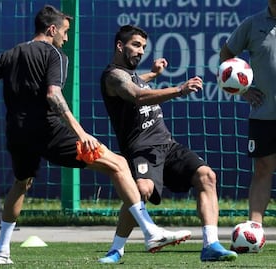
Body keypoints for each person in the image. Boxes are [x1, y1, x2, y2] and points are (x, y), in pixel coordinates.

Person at [0, 5, 191, 265]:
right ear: (52, 29)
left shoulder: (10, 54)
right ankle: (150, 231)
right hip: (50, 132)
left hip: (18, 135)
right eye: (64, 32)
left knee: (22, 184)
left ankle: (1, 252)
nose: (66, 38)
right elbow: (53, 95)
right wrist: (81, 132)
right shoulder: (55, 55)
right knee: (119, 164)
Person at [98, 24, 238, 263]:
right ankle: (116, 250)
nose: (141, 51)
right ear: (120, 46)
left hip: (168, 145)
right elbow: (136, 95)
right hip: (142, 148)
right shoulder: (113, 76)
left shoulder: (132, 76)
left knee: (207, 176)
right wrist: (179, 89)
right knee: (141, 191)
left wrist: (152, 74)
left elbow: (136, 82)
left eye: (143, 47)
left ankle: (211, 245)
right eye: (135, 45)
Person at [220, 0, 276, 240]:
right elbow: (226, 54)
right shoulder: (253, 24)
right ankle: (255, 228)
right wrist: (243, 90)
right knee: (263, 168)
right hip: (264, 113)